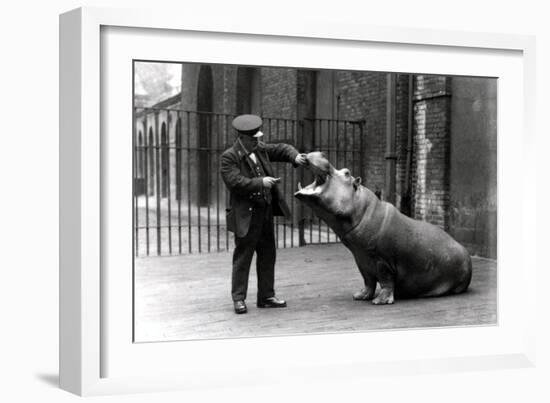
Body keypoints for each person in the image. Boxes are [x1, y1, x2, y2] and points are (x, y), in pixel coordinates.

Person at [220, 114, 307, 314]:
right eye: (253, 139)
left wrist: (294, 156)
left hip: (265, 212)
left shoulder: (258, 149)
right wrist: (261, 182)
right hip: (246, 216)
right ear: (242, 138)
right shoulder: (229, 157)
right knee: (243, 257)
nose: (257, 142)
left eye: (258, 138)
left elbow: (281, 148)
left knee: (268, 255)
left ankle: (266, 296)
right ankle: (239, 299)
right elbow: (235, 183)